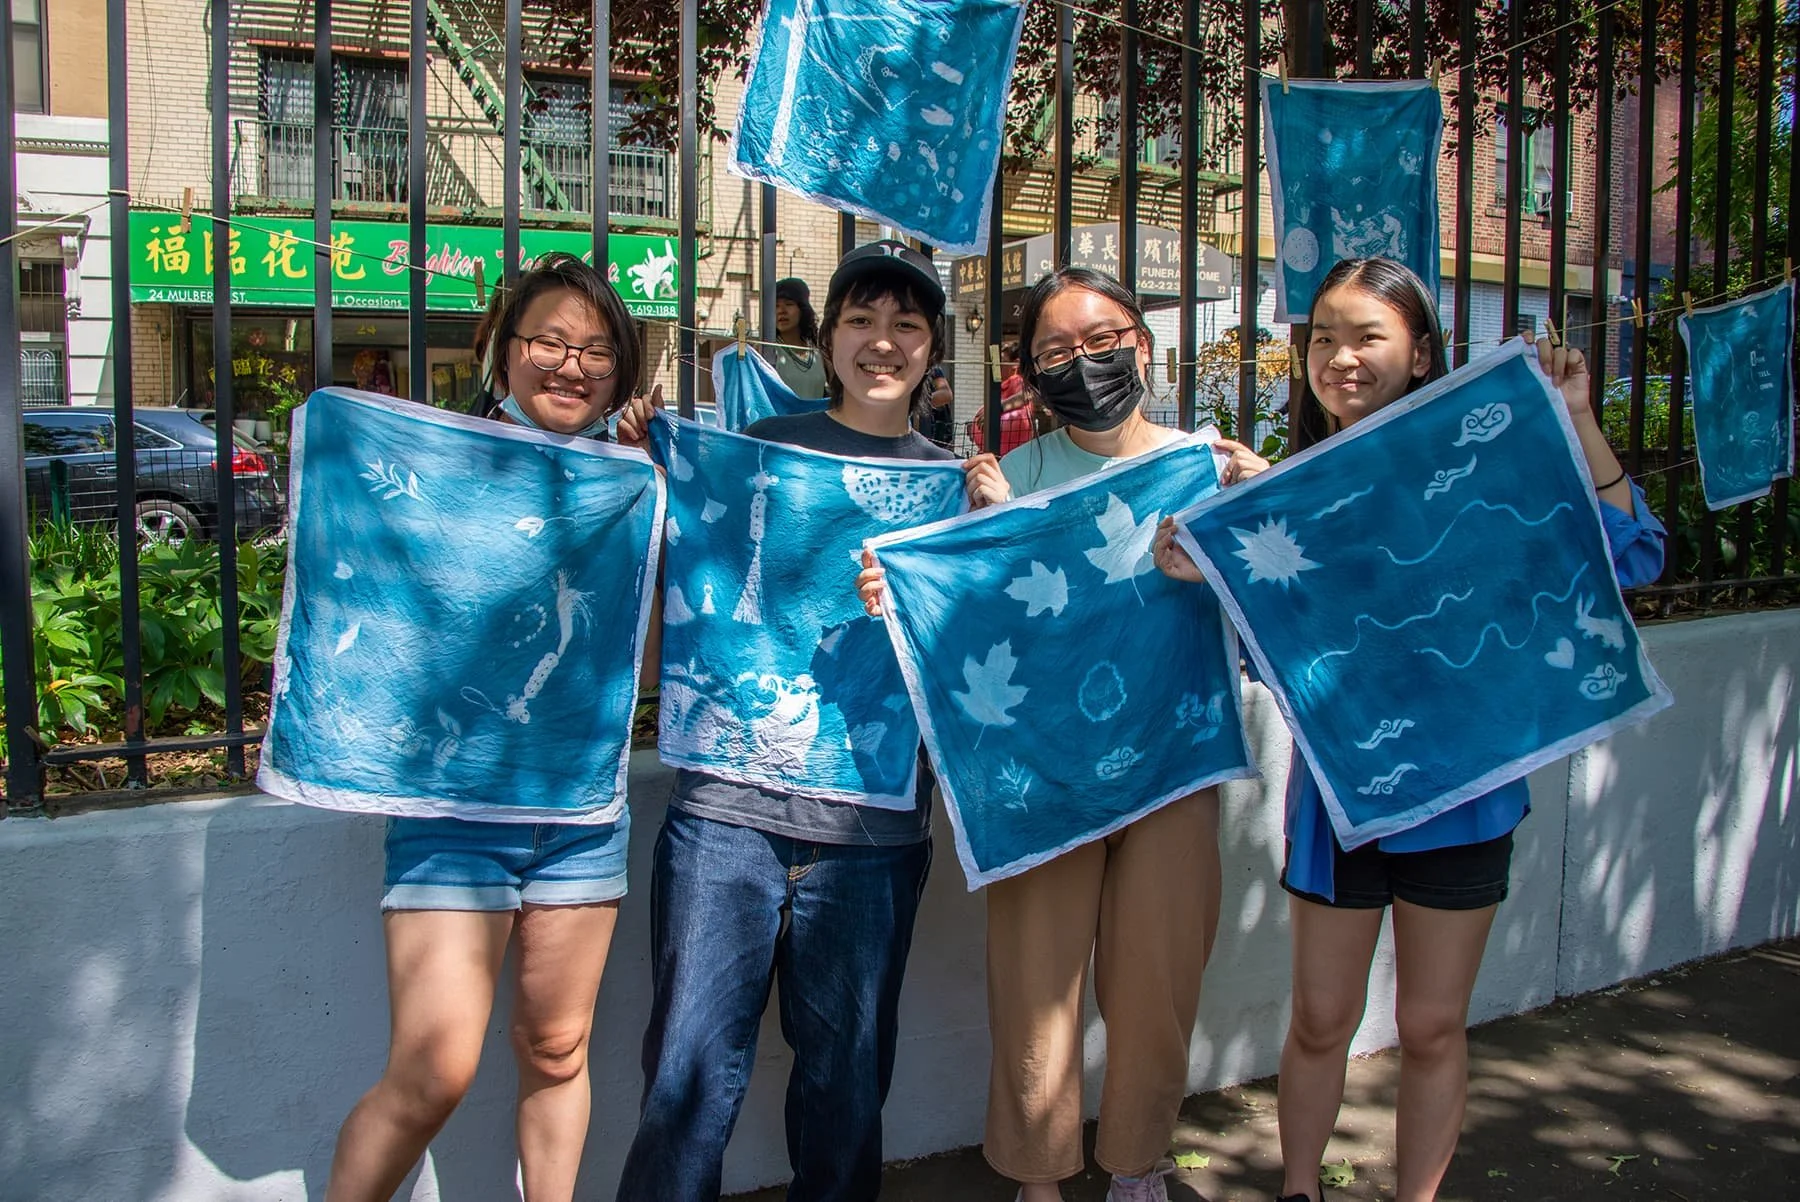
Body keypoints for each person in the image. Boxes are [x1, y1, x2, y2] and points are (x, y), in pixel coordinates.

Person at [1152, 257, 1666, 1202]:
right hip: (1340, 806)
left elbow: (1632, 557)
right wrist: (1213, 572)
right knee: (1318, 1023)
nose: (1342, 358)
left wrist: (1580, 418)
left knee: (1432, 1029)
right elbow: (1277, 660)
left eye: (1368, 336)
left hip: (1465, 806)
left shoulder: (1490, 456)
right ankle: (1299, 1189)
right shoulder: (1291, 491)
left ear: (1421, 351)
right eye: (1324, 338)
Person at [861, 265, 1267, 1202]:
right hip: (1039, 778)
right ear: (1026, 374)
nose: (1082, 363)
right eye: (1054, 351)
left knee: (1157, 986)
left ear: (1144, 345)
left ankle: (1137, 1162)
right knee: (1036, 988)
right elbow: (962, 612)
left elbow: (1287, 611)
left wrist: (1251, 513)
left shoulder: (1210, 464)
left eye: (1102, 340)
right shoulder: (1006, 480)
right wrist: (921, 575)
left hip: (1170, 766)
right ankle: (1036, 1176)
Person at [612, 241, 967, 1202]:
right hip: (725, 814)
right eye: (860, 320)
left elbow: (978, 659)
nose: (881, 342)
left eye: (906, 325)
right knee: (687, 1070)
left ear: (933, 349)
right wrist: (650, 457)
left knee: (846, 1079)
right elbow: (667, 546)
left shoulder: (960, 489)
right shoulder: (758, 449)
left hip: (869, 829)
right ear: (828, 336)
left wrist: (941, 588)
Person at [323, 252, 643, 1202]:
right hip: (450, 809)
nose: (571, 364)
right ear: (502, 350)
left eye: (596, 350)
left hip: (582, 809)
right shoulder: (440, 465)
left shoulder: (631, 482)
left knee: (558, 1047)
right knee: (434, 1072)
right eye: (549, 340)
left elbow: (652, 646)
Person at [770, 275, 830, 398]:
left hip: (815, 416)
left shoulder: (818, 350)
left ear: (802, 309)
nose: (781, 311)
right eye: (776, 306)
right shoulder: (767, 350)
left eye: (789, 304)